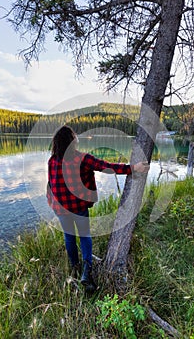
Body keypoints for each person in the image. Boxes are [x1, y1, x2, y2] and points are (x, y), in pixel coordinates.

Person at [47, 125, 150, 292]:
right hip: (78, 207)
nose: (77, 138)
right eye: (75, 136)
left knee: (69, 237)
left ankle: (74, 268)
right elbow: (107, 167)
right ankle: (86, 271)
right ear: (72, 141)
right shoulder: (82, 158)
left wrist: (51, 201)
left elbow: (51, 184)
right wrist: (133, 168)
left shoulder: (52, 160)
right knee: (85, 236)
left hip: (61, 208)